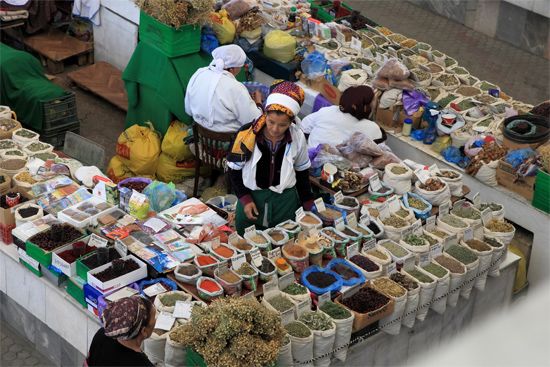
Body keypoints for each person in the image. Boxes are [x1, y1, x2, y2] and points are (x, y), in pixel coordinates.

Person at [227, 82, 314, 234]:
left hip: (285, 204)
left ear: (291, 122)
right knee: (248, 245)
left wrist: (308, 204)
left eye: (282, 125)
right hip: (253, 199)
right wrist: (245, 200)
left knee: (284, 245)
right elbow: (234, 170)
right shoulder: (247, 134)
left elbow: (302, 172)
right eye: (271, 122)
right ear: (265, 114)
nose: (275, 129)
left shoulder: (297, 136)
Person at [185, 44, 263, 133]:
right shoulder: (236, 88)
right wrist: (258, 103)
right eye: (240, 67)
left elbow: (188, 109)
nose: (240, 70)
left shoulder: (199, 73)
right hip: (226, 140)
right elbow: (255, 121)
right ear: (233, 68)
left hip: (199, 134)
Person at [299, 85, 386, 149]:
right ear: (367, 107)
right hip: (344, 169)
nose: (376, 102)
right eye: (374, 100)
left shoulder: (328, 111)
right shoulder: (372, 128)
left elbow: (304, 127)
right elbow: (379, 151)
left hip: (311, 159)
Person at [87, 296, 156, 367]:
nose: (155, 320)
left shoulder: (102, 334)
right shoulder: (143, 364)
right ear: (144, 331)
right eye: (154, 318)